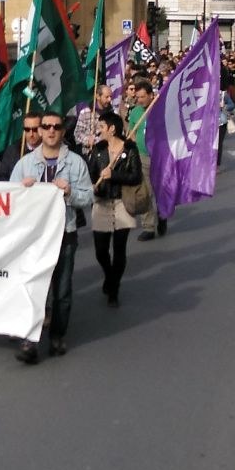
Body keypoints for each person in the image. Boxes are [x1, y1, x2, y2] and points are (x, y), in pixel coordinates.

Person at [10, 109, 94, 363]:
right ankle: (30, 339)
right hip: (33, 238)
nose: (50, 131)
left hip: (63, 235)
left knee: (62, 290)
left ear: (62, 131)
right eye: (45, 126)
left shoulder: (75, 163)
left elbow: (88, 197)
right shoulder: (25, 163)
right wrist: (21, 190)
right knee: (32, 288)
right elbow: (10, 198)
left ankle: (57, 335)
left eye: (56, 127)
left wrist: (69, 192)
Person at [86, 111, 142, 307]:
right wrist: (95, 183)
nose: (99, 131)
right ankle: (109, 276)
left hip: (121, 203)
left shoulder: (130, 149)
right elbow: (90, 174)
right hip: (101, 203)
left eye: (102, 127)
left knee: (119, 250)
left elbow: (136, 177)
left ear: (112, 129)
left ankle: (114, 289)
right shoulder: (98, 150)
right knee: (101, 251)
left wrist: (114, 176)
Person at [127, 79, 165, 241]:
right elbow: (131, 132)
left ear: (151, 95)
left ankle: (163, 214)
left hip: (160, 157)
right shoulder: (135, 112)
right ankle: (148, 227)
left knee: (160, 190)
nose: (140, 100)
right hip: (142, 156)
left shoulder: (159, 109)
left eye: (143, 97)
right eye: (138, 97)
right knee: (146, 192)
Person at [0, 113, 42, 181]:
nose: (31, 134)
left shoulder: (49, 150)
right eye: (27, 129)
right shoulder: (12, 151)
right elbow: (1, 177)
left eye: (35, 129)